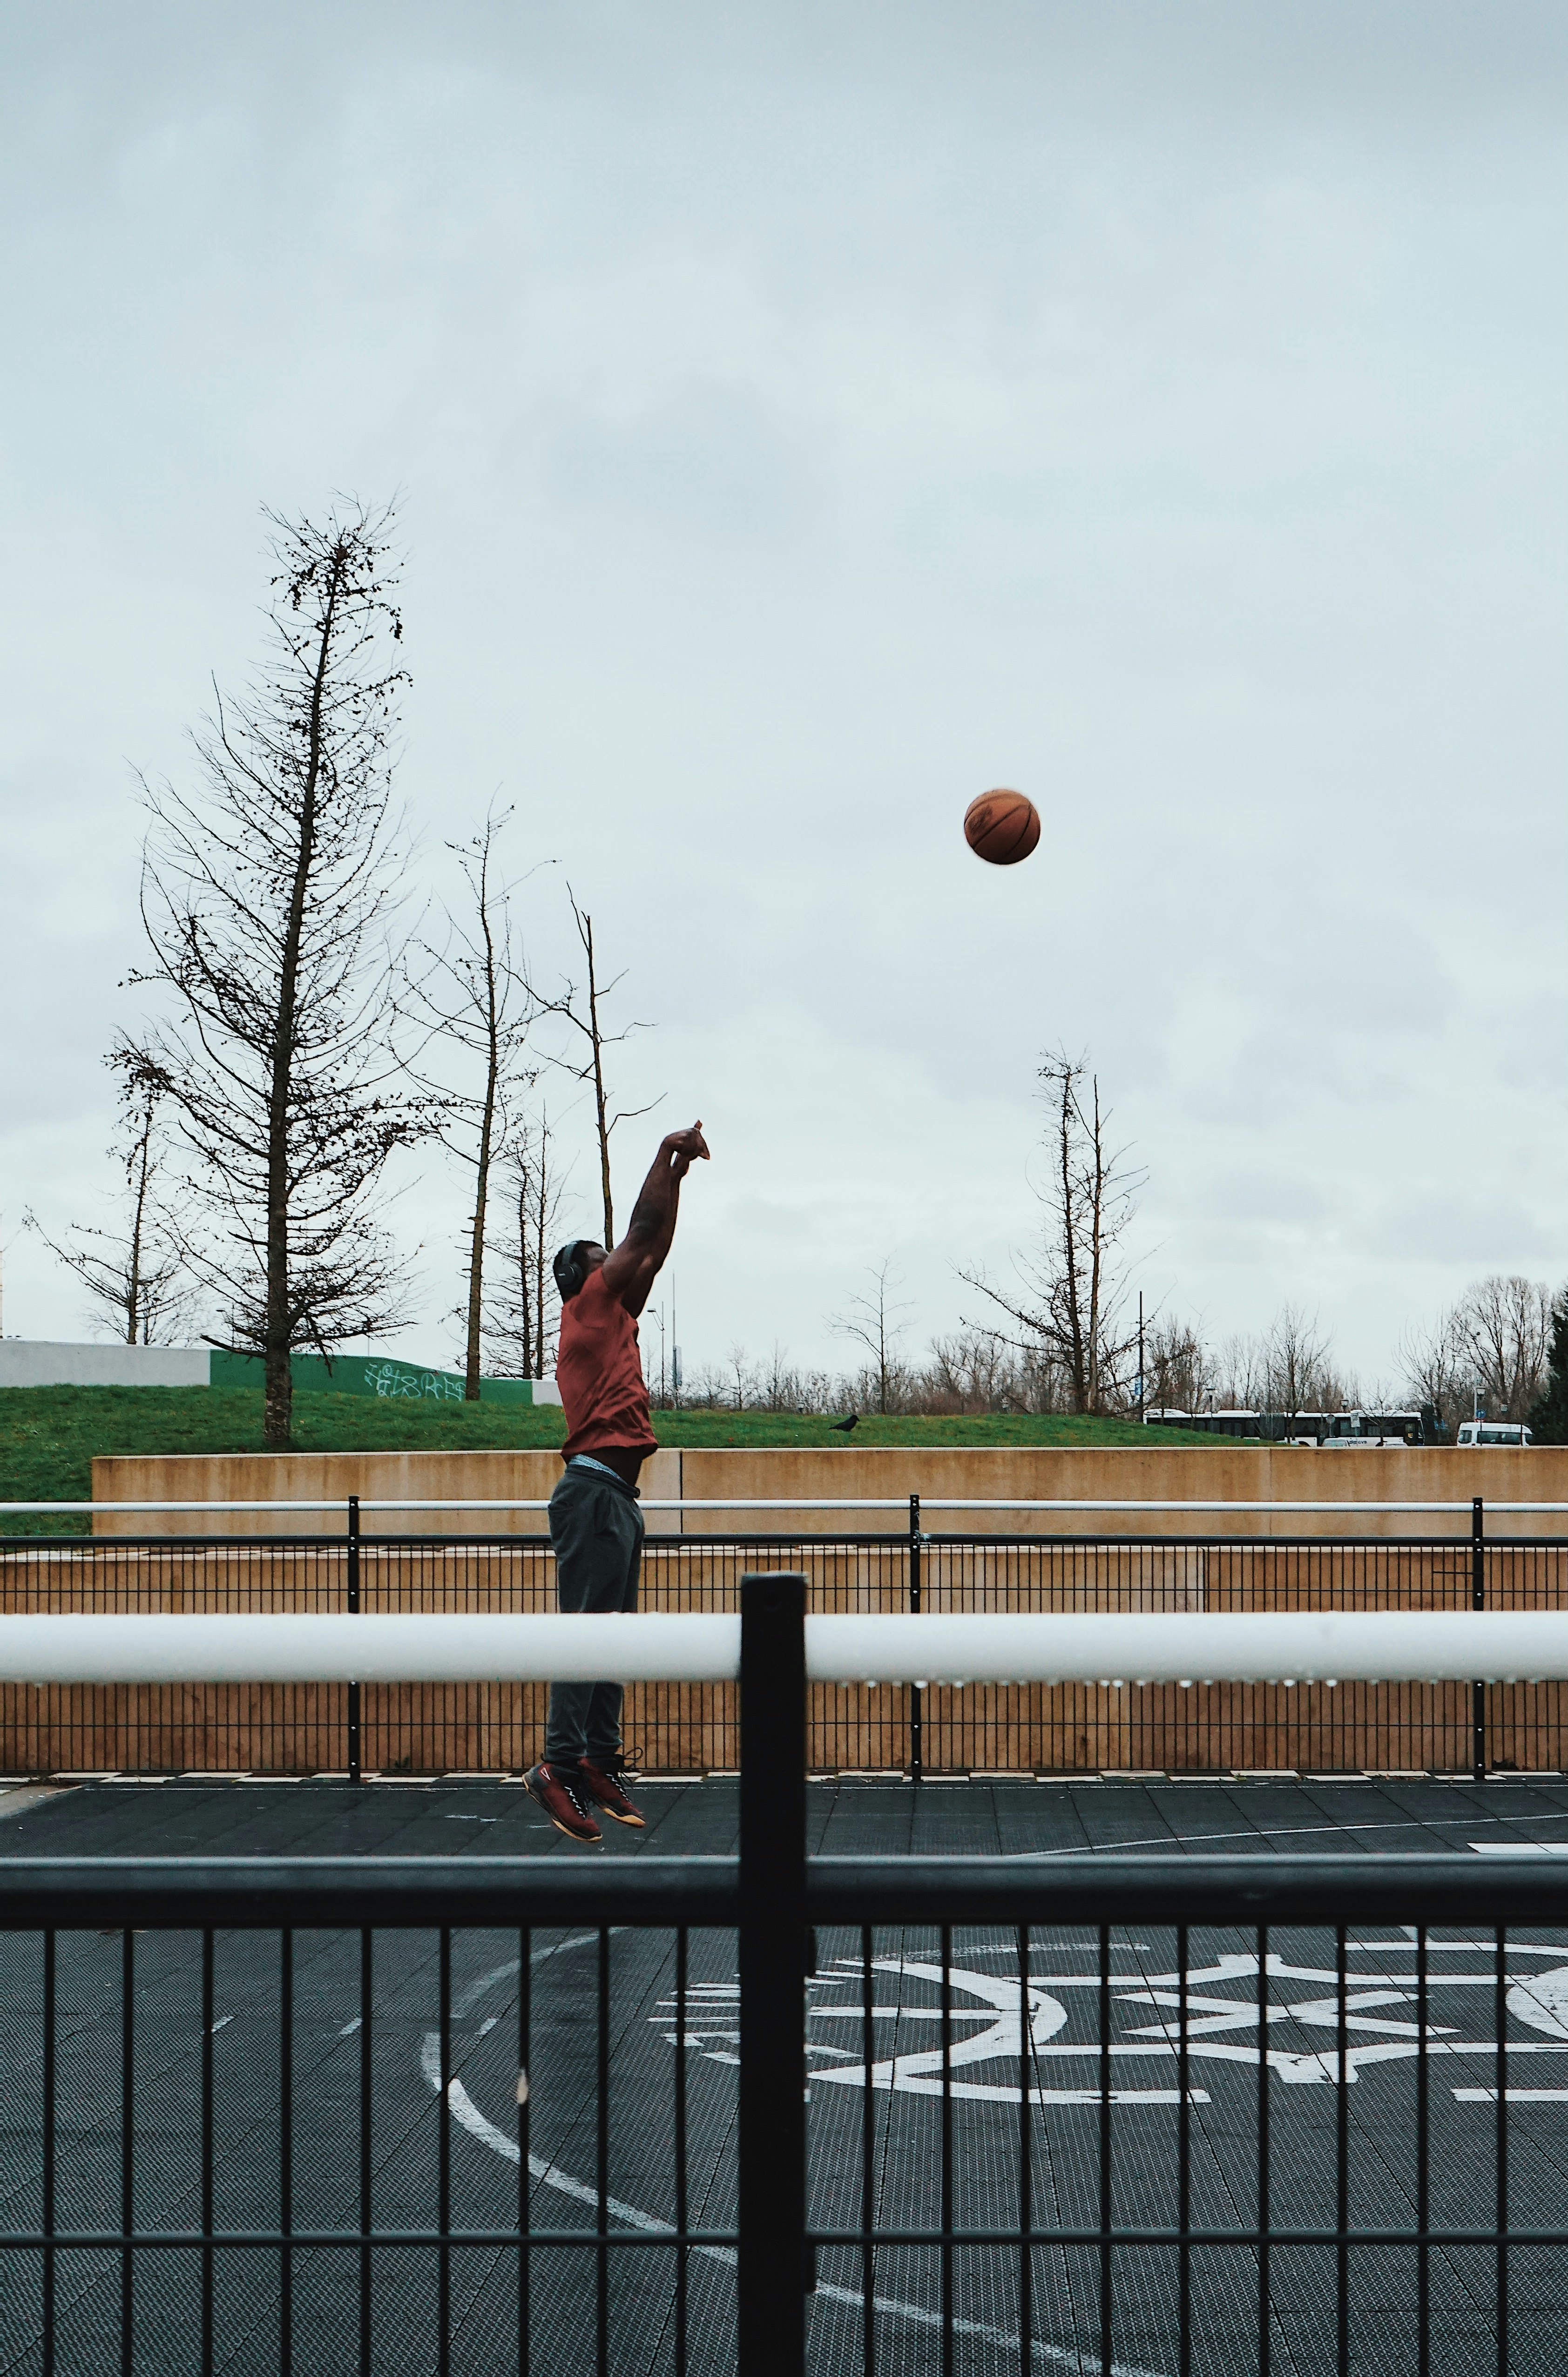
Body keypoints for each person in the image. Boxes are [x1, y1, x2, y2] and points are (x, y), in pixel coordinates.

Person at [523, 1121, 710, 1843]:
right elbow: (639, 1234)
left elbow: (654, 1243)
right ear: (586, 1279)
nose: (624, 1270)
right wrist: (663, 1155)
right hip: (593, 1493)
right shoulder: (588, 1310)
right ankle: (554, 1765)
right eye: (607, 1265)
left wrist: (677, 1179)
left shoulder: (619, 1314)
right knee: (588, 1634)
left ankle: (598, 1757)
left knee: (616, 1641)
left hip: (619, 1500)